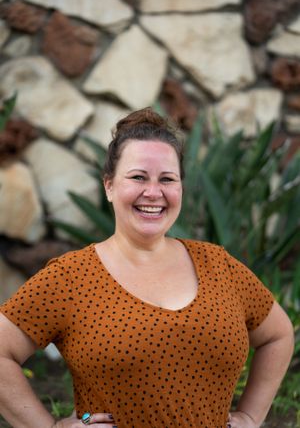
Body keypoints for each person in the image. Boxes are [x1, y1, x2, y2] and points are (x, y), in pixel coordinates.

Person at [0, 107, 294, 428]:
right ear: (109, 186)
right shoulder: (72, 276)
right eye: (138, 177)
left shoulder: (218, 266)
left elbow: (278, 335)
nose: (153, 192)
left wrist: (250, 416)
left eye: (167, 179)